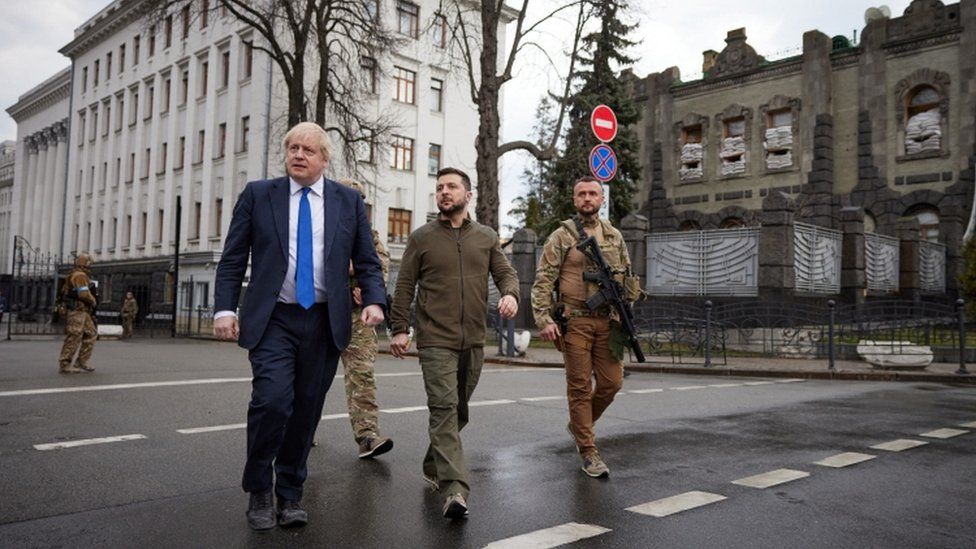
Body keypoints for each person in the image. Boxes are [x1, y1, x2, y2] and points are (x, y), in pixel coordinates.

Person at [213, 122, 386, 531]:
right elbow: (234, 256)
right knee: (273, 401)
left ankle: (289, 493)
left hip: (325, 320)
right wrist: (224, 309)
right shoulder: (259, 195)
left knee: (306, 412)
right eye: (292, 147)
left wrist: (376, 299)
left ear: (324, 159)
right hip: (275, 318)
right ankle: (259, 488)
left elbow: (367, 260)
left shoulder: (347, 201)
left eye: (308, 149)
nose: (298, 154)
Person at [389, 167, 519, 520]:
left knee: (458, 409)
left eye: (451, 187)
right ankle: (455, 489)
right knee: (444, 408)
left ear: (468, 195)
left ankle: (433, 464)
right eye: (440, 187)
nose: (444, 192)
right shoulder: (422, 238)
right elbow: (404, 286)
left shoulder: (487, 237)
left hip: (474, 339)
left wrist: (510, 294)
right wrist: (400, 327)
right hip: (435, 340)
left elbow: (505, 273)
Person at [530, 176, 639, 479]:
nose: (587, 198)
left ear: (601, 199)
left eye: (593, 193)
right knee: (579, 387)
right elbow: (543, 281)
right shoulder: (561, 237)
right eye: (582, 194)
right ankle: (588, 451)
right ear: (575, 200)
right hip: (575, 320)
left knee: (611, 383)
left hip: (609, 320)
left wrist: (627, 311)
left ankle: (580, 424)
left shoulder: (615, 236)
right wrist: (544, 319)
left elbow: (628, 276)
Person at [336, 178, 393, 459]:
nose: (354, 203)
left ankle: (367, 436)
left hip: (357, 316)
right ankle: (300, 431)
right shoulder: (321, 229)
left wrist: (370, 292)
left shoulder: (369, 235)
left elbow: (380, 267)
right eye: (349, 197)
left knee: (362, 375)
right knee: (308, 378)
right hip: (321, 314)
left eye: (359, 199)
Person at [58, 254, 98, 374]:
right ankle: (65, 364)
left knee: (91, 334)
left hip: (83, 312)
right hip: (77, 311)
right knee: (74, 336)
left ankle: (81, 362)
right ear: (85, 263)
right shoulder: (79, 275)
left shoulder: (78, 274)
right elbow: (83, 294)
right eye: (89, 262)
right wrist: (93, 300)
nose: (91, 265)